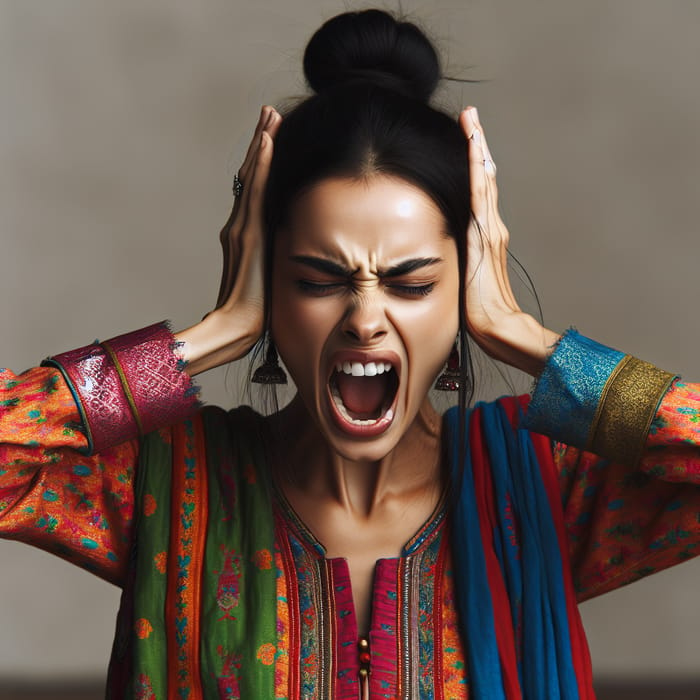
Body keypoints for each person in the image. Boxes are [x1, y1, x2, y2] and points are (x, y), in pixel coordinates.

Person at [1, 8, 699, 699]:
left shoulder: (545, 487)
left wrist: (530, 340)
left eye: (413, 283)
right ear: (266, 284)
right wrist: (199, 342)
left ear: (467, 287)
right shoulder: (168, 486)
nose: (365, 319)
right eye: (317, 281)